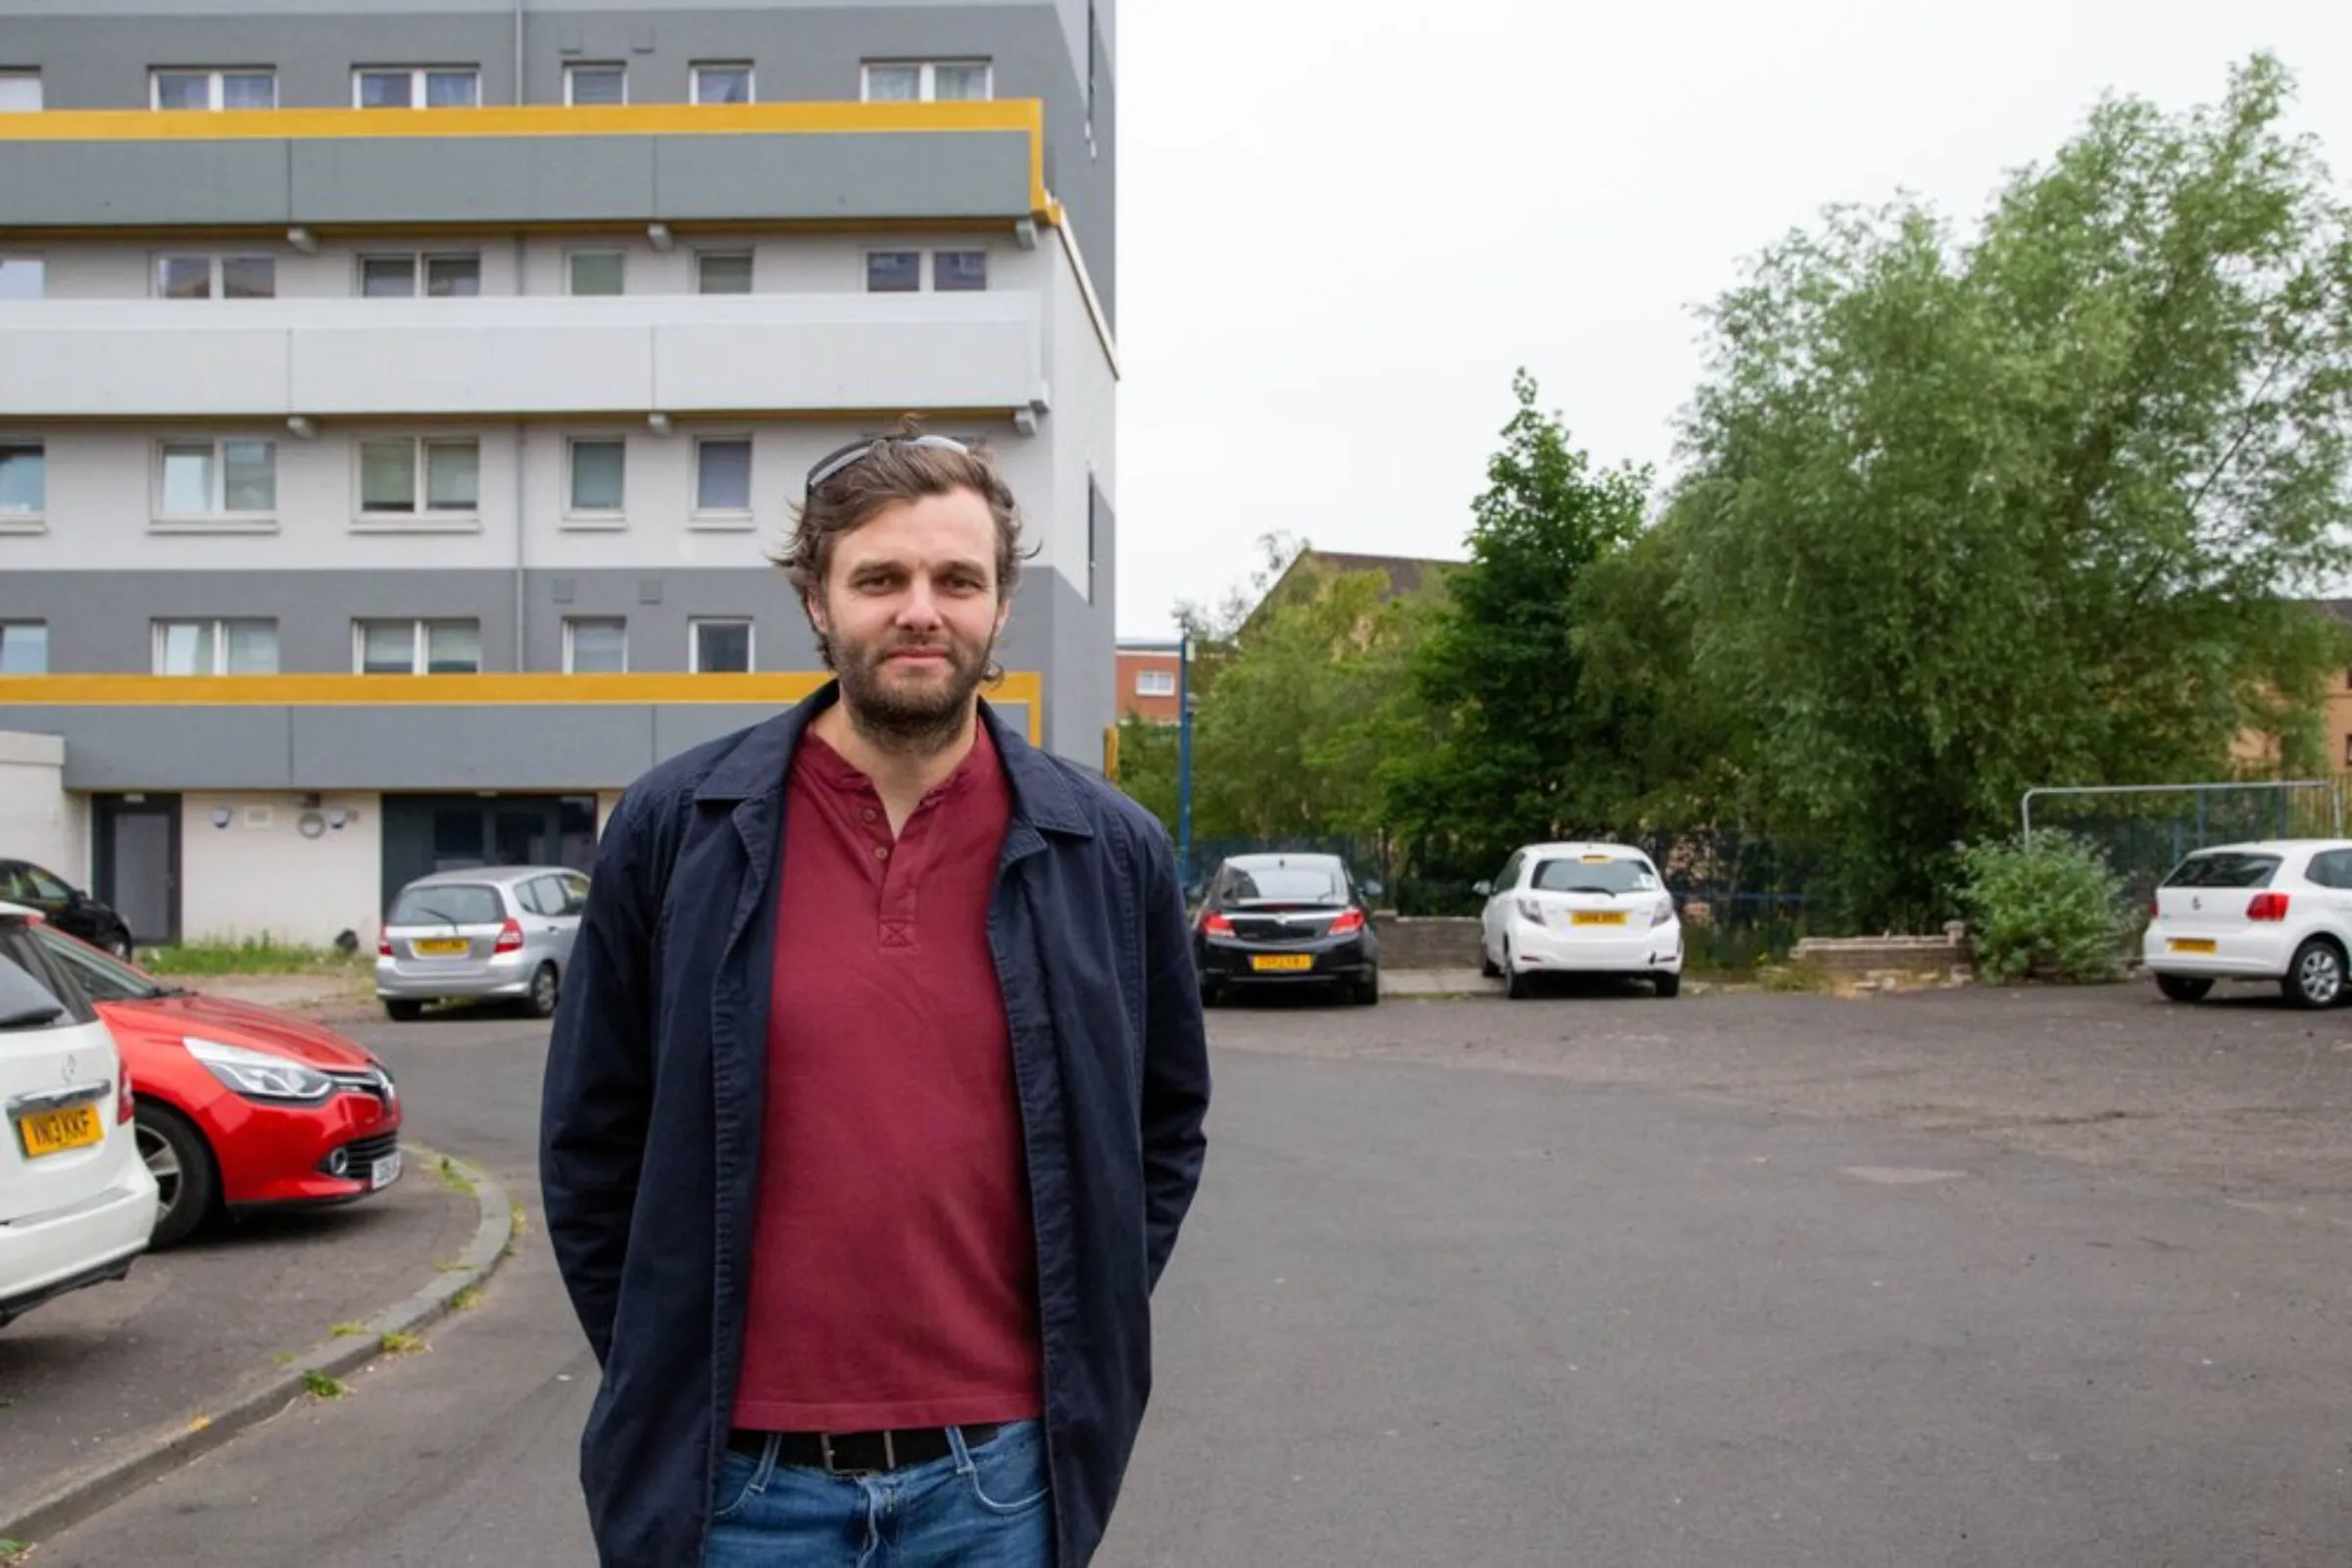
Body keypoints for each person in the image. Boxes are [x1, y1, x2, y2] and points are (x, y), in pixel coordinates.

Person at [540, 421, 1211, 1568]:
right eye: (880, 577)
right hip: (735, 1486)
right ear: (817, 598)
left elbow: (1158, 1132)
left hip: (1001, 1481)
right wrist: (667, 1356)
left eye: (958, 579)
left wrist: (1067, 1333)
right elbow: (591, 1142)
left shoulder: (1107, 851)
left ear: (1001, 607)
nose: (920, 610)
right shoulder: (674, 830)